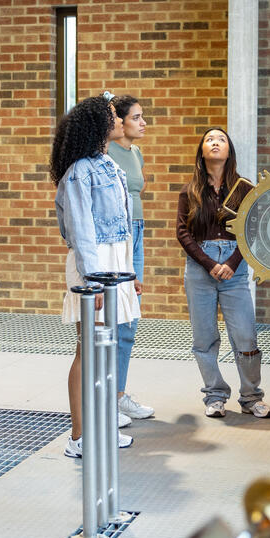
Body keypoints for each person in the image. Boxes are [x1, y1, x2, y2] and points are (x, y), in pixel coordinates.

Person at [51, 95, 140, 458]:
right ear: (98, 125)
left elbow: (125, 225)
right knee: (87, 350)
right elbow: (80, 228)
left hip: (115, 264)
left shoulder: (109, 165)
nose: (117, 119)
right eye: (111, 116)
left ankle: (102, 427)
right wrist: (93, 278)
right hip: (94, 264)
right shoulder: (79, 171)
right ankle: (79, 436)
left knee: (106, 352)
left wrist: (129, 272)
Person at [176, 127, 270, 419]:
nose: (215, 142)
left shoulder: (244, 188)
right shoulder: (190, 189)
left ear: (229, 150)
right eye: (209, 139)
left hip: (235, 267)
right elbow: (182, 232)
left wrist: (231, 263)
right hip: (200, 267)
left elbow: (253, 229)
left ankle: (251, 396)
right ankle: (215, 395)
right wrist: (209, 263)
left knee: (245, 335)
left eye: (220, 139)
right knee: (204, 338)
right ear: (202, 151)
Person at [106, 95, 155, 422]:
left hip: (136, 233)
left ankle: (119, 394)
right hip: (118, 238)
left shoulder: (135, 152)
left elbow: (136, 187)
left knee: (130, 317)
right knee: (114, 317)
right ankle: (106, 398)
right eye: (136, 117)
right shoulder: (103, 153)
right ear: (119, 122)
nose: (143, 123)